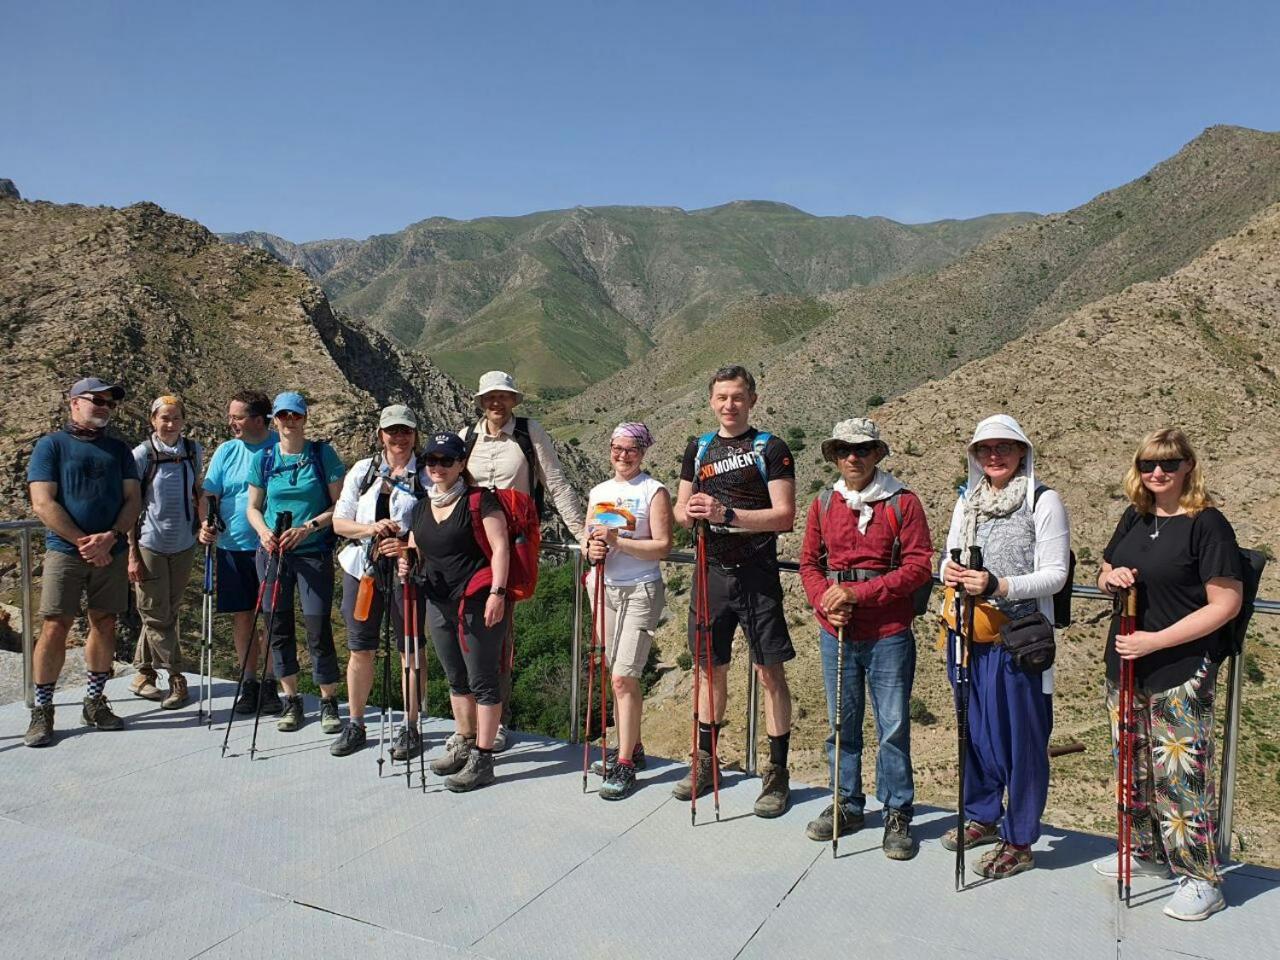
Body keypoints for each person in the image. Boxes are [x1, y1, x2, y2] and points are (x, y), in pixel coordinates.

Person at [1094, 428, 1242, 922]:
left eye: (1169, 463)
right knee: (1132, 770)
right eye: (1147, 464)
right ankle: (1149, 854)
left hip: (1179, 668)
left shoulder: (1208, 524)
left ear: (1188, 468)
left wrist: (1156, 641)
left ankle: (1201, 878)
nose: (1157, 473)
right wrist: (1108, 577)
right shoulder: (1135, 517)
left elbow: (1226, 604)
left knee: (1181, 778)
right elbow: (1105, 566)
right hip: (1127, 666)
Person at [939, 414, 1070, 879]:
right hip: (968, 632)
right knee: (974, 730)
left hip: (1020, 639)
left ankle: (1020, 838)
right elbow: (947, 558)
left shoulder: (1043, 501)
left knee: (1022, 739)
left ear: (1022, 453)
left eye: (1004, 447)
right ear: (975, 456)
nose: (994, 456)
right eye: (985, 449)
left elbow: (1056, 574)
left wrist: (999, 584)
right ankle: (983, 814)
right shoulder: (967, 501)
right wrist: (950, 574)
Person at [798, 418, 933, 857]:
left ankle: (897, 811)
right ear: (835, 456)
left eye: (861, 449)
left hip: (888, 633)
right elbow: (809, 565)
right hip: (835, 630)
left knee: (892, 726)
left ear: (877, 454)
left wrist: (857, 592)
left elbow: (917, 568)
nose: (852, 457)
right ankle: (847, 802)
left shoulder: (903, 504)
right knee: (842, 723)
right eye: (843, 450)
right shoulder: (822, 503)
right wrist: (825, 601)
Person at [673, 364, 797, 818]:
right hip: (710, 573)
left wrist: (726, 514)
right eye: (722, 397)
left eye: (738, 397)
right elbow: (682, 512)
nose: (730, 405)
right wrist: (695, 511)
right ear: (711, 401)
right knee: (709, 670)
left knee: (770, 673)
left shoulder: (772, 448)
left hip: (757, 573)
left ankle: (777, 772)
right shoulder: (698, 447)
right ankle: (707, 763)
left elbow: (785, 516)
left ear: (752, 400)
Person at [457, 370, 586, 752]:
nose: (496, 403)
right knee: (463, 631)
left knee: (500, 633)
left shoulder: (530, 434)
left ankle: (496, 721)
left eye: (504, 396)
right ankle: (467, 721)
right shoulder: (467, 438)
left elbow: (556, 482)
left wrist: (581, 534)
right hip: (469, 544)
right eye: (490, 397)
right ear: (481, 401)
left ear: (514, 400)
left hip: (510, 545)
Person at [25, 377, 142, 747]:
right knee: (56, 625)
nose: (104, 406)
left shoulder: (119, 450)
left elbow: (133, 501)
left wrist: (110, 537)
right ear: (74, 402)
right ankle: (43, 710)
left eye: (110, 402)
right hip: (65, 551)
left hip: (111, 550)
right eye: (97, 400)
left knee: (105, 623)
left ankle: (94, 701)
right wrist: (83, 542)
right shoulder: (51, 446)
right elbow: (43, 502)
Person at [403, 433, 510, 792]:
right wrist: (405, 562)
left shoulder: (480, 501)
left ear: (461, 464)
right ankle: (464, 740)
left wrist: (498, 592)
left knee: (482, 679)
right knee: (455, 676)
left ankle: (483, 758)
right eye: (431, 461)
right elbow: (417, 550)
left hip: (478, 601)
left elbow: (500, 549)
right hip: (438, 601)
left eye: (446, 461)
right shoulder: (421, 507)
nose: (437, 467)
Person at [330, 404, 429, 759]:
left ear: (415, 434)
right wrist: (370, 529)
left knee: (411, 651)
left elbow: (436, 523)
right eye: (392, 431)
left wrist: (407, 545)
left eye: (405, 431)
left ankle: (411, 726)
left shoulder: (428, 474)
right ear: (380, 434)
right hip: (364, 569)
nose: (399, 438)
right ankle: (355, 722)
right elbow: (340, 522)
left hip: (408, 572)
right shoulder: (363, 470)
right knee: (360, 648)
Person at [582, 422, 673, 800]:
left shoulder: (654, 492)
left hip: (640, 589)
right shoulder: (600, 491)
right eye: (616, 447)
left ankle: (624, 763)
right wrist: (593, 550)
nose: (623, 455)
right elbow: (589, 538)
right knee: (613, 671)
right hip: (602, 587)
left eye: (631, 448)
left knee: (623, 676)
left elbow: (663, 546)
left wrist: (619, 541)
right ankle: (630, 747)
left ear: (644, 452)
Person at [245, 392, 345, 733]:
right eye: (283, 416)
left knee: (318, 628)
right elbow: (253, 507)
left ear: (304, 418)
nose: (289, 422)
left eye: (296, 416)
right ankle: (290, 700)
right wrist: (262, 533)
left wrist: (307, 528)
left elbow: (339, 507)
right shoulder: (265, 458)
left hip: (312, 552)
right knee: (278, 627)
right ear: (274, 420)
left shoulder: (322, 454)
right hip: (273, 554)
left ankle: (329, 701)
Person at [199, 390, 281, 715]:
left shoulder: (279, 449)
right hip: (232, 547)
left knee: (272, 617)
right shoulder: (226, 451)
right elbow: (210, 493)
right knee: (243, 616)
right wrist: (206, 522)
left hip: (271, 546)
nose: (230, 422)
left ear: (258, 420)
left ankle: (271, 680)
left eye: (237, 416)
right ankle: (249, 682)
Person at [126, 395, 204, 710]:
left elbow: (197, 491)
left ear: (183, 421)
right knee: (155, 614)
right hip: (149, 545)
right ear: (152, 421)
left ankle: (143, 674)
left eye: (175, 418)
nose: (170, 424)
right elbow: (130, 505)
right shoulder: (142, 455)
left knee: (167, 613)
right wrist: (131, 553)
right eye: (164, 418)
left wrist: (202, 525)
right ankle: (177, 678)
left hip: (183, 543)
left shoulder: (192, 451)